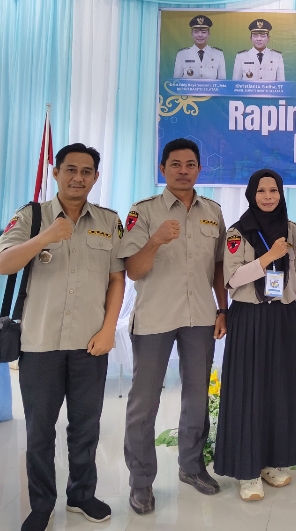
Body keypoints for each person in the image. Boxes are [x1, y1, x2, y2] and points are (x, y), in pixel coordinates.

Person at [0, 144, 125, 531]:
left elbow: (117, 279)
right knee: (39, 430)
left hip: (90, 344)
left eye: (86, 171)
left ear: (95, 177)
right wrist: (46, 236)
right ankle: (41, 504)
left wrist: (109, 330)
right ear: (56, 172)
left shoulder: (108, 220)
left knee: (85, 428)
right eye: (70, 169)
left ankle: (82, 494)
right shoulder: (31, 216)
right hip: (40, 344)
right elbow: (4, 263)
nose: (78, 177)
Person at [119, 138, 228, 515]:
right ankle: (141, 481)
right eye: (176, 164)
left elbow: (219, 265)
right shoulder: (143, 211)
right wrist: (155, 241)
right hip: (155, 318)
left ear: (199, 169)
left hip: (200, 317)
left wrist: (223, 308)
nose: (183, 170)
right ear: (162, 168)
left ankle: (191, 466)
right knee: (144, 402)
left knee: (197, 398)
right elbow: (133, 270)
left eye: (190, 164)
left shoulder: (213, 211)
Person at [213, 169, 296, 501]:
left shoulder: (293, 231)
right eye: (261, 191)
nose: (268, 196)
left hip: (284, 316)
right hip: (250, 316)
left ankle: (272, 461)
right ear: (251, 195)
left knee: (280, 390)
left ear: (281, 194)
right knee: (248, 390)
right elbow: (232, 278)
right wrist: (268, 257)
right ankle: (247, 471)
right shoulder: (237, 232)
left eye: (273, 190)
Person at [173, 15, 226, 80]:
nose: (200, 35)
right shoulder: (182, 55)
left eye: (204, 32)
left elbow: (222, 82)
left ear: (209, 34)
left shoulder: (218, 54)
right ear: (191, 34)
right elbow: (176, 82)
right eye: (196, 32)